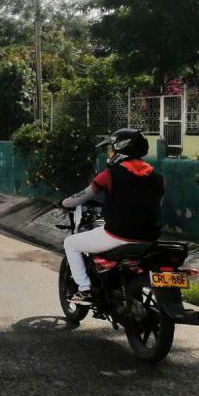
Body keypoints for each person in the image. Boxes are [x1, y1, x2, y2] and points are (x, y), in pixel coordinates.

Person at [60, 128, 165, 305]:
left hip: (117, 236)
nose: (110, 153)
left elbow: (84, 196)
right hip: (149, 238)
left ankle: (85, 289)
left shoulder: (110, 175)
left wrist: (64, 203)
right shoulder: (158, 178)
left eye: (112, 149)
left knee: (70, 243)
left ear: (121, 149)